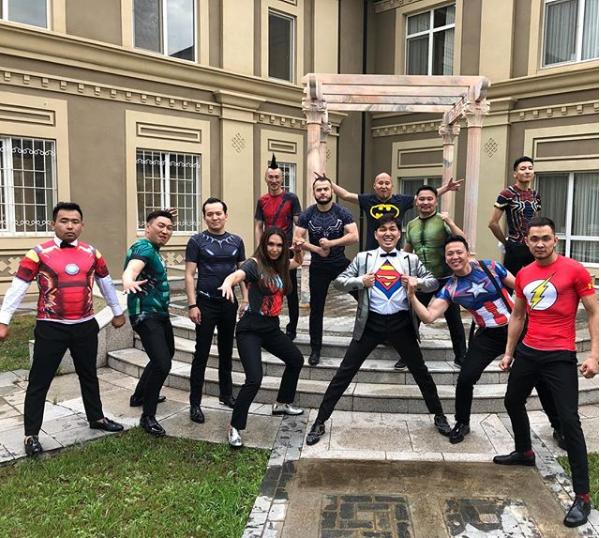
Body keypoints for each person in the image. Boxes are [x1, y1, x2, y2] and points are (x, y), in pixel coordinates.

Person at [305, 215, 451, 446]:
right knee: (344, 372)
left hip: (401, 324)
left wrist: (417, 282)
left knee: (420, 372)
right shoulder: (364, 258)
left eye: (392, 229)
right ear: (375, 234)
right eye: (382, 229)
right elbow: (339, 282)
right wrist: (359, 282)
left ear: (399, 233)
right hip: (370, 324)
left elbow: (432, 282)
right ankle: (320, 421)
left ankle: (439, 415)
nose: (388, 233)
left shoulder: (410, 259)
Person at [406, 235, 561, 445]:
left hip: (517, 328)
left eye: (459, 252)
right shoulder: (451, 288)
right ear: (445, 259)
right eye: (450, 254)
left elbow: (521, 288)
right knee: (466, 378)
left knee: (540, 378)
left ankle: (558, 427)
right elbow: (429, 317)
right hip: (488, 335)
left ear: (467, 253)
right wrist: (412, 296)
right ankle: (462, 422)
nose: (455, 257)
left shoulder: (490, 267)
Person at [494, 217, 598, 528]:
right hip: (528, 352)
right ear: (526, 241)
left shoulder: (575, 270)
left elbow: (594, 312)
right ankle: (524, 451)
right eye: (534, 239)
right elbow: (517, 315)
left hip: (560, 356)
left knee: (569, 421)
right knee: (512, 401)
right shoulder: (524, 274)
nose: (540, 244)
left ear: (555, 240)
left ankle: (582, 496)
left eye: (546, 238)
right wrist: (509, 352)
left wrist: (594, 355)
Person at [0, 202, 124, 457]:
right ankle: (31, 434)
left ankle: (97, 418)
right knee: (39, 380)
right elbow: (18, 287)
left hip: (85, 326)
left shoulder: (92, 253)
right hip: (51, 328)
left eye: (75, 221)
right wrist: (4, 320)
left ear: (82, 225)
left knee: (88, 374)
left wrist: (117, 311)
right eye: (64, 221)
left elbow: (105, 283)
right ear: (53, 224)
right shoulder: (38, 253)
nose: (70, 226)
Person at [219, 227, 305, 448]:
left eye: (279, 245)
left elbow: (298, 263)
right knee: (254, 379)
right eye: (271, 244)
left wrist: (298, 250)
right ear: (264, 245)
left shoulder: (280, 265)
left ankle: (281, 403)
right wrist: (228, 283)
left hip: (271, 327)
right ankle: (234, 426)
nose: (275, 249)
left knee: (295, 360)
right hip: (250, 327)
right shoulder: (255, 264)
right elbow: (238, 275)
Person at [185, 198, 247, 424]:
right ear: (204, 217)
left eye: (218, 213)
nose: (214, 217)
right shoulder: (196, 241)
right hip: (205, 303)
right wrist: (192, 305)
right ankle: (195, 403)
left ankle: (226, 394)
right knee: (201, 353)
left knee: (226, 351)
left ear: (226, 215)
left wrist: (246, 299)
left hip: (228, 304)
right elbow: (189, 274)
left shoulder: (237, 241)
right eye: (210, 214)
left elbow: (242, 273)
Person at [294, 174, 359, 366]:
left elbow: (354, 236)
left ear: (331, 191)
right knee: (316, 308)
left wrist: (331, 243)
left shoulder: (342, 212)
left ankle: (376, 335)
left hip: (340, 263)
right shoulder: (307, 214)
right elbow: (297, 239)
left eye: (325, 189)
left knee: (364, 297)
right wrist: (317, 249)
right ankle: (315, 349)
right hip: (318, 266)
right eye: (319, 190)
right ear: (314, 192)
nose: (322, 192)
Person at [122, 210, 175, 437]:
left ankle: (139, 395)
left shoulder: (154, 250)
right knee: (162, 363)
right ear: (147, 227)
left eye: (169, 228)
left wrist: (163, 214)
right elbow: (132, 269)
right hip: (145, 314)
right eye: (160, 226)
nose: (165, 231)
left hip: (160, 313)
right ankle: (148, 416)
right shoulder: (143, 247)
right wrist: (128, 280)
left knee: (166, 354)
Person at [403, 185, 467, 370]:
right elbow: (407, 251)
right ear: (416, 202)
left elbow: (462, 240)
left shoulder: (442, 220)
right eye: (422, 199)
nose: (425, 202)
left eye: (430, 199)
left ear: (436, 201)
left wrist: (450, 222)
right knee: (412, 318)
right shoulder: (412, 224)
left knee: (453, 319)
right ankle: (407, 356)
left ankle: (461, 356)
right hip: (423, 280)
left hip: (446, 279)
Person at [332, 172, 463, 250]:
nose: (384, 186)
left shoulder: (401, 200)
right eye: (380, 183)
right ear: (374, 186)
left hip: (394, 251)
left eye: (387, 183)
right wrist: (328, 183)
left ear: (392, 186)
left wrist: (446, 188)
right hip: (372, 250)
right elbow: (345, 195)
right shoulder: (368, 200)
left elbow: (424, 198)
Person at [255, 155, 302, 340]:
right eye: (270, 177)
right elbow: (259, 226)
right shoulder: (262, 201)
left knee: (290, 290)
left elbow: (299, 222)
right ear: (266, 179)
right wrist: (260, 248)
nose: (274, 180)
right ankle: (267, 323)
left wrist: (296, 243)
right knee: (266, 286)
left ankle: (292, 328)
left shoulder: (291, 198)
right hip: (268, 250)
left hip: (286, 249)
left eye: (277, 177)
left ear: (282, 179)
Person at [488, 156, 541, 277]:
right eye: (523, 169)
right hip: (515, 246)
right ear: (515, 174)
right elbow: (492, 223)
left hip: (533, 246)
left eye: (530, 168)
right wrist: (506, 243)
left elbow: (535, 220)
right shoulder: (507, 194)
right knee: (509, 282)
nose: (527, 171)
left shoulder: (535, 195)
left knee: (535, 281)